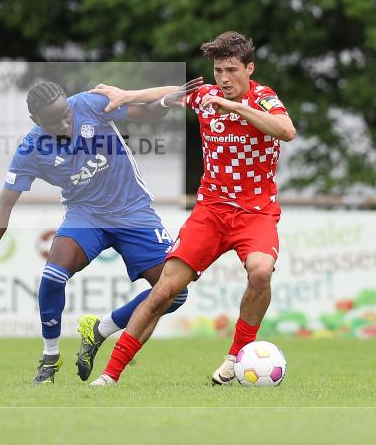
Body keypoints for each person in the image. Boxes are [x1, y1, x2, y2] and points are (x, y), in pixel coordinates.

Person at [88, 31, 296, 386]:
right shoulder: (205, 96)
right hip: (211, 211)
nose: (224, 78)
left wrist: (235, 108)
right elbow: (168, 93)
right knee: (163, 293)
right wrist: (127, 95)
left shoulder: (264, 99)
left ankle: (235, 358)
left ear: (250, 69)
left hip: (255, 212)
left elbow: (286, 130)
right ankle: (110, 375)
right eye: (218, 71)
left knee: (261, 272)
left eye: (231, 70)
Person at [0, 77, 203, 383]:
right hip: (85, 215)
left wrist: (167, 101)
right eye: (54, 121)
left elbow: (147, 113)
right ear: (35, 121)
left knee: (176, 293)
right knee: (52, 278)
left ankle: (100, 329)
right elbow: (4, 204)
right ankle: (49, 359)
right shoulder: (31, 149)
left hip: (133, 210)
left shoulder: (90, 104)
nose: (65, 123)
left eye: (66, 115)